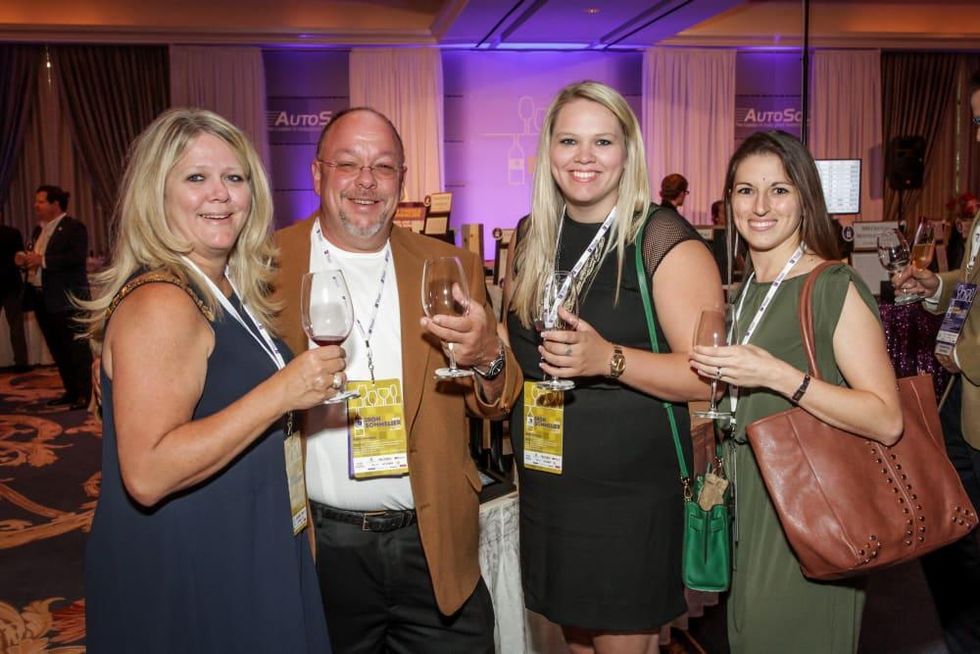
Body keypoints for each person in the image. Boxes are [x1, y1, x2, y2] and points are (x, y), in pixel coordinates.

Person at [82, 108, 335, 653]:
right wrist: (283, 392)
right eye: (196, 178)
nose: (220, 194)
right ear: (159, 193)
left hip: (242, 542)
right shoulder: (163, 301)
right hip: (192, 567)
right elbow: (147, 473)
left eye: (234, 178)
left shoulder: (221, 290)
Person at [271, 107, 523, 653]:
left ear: (402, 182)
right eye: (349, 164)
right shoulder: (266, 265)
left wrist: (487, 358)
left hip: (432, 544)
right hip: (320, 546)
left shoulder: (449, 266)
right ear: (317, 173)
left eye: (383, 167)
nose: (366, 181)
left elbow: (498, 402)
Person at [504, 81, 723, 653]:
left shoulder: (662, 238)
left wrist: (611, 360)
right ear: (548, 150)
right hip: (551, 483)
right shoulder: (531, 236)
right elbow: (521, 354)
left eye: (602, 142)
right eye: (569, 140)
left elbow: (708, 375)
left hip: (629, 494)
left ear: (628, 152)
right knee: (577, 642)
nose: (583, 157)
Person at [690, 130, 903, 653]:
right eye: (745, 190)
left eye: (779, 190)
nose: (760, 206)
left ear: (805, 199)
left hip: (812, 515)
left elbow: (885, 418)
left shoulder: (832, 287)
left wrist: (778, 375)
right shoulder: (744, 294)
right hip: (750, 512)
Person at [892, 69, 980, 654]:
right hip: (965, 403)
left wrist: (960, 350)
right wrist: (935, 286)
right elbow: (975, 283)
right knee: (951, 545)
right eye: (976, 121)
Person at [17, 185, 91, 407]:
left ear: (55, 204)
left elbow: (76, 258)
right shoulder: (39, 230)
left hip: (67, 298)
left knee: (75, 349)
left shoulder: (74, 227)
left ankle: (86, 394)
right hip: (43, 298)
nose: (36, 206)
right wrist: (25, 260)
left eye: (40, 201)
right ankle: (70, 390)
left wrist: (43, 261)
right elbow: (37, 258)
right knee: (57, 349)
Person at [0, 217, 28, 371]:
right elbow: (20, 257)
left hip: (10, 285)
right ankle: (21, 363)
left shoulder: (12, 233)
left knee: (16, 326)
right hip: (11, 283)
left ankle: (21, 362)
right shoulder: (13, 233)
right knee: (16, 326)